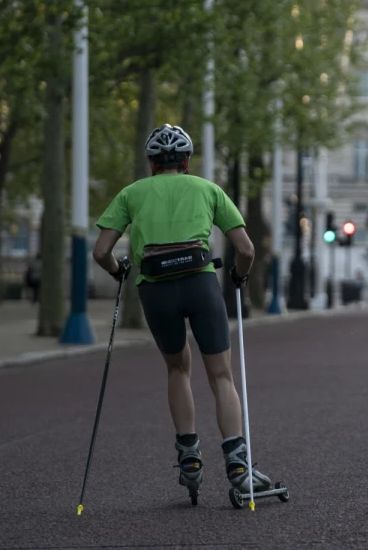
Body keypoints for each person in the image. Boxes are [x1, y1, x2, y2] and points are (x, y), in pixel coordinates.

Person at [90, 124, 276, 500]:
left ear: (151, 163)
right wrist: (240, 278)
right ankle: (238, 464)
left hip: (156, 290)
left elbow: (100, 252)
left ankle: (190, 456)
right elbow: (246, 250)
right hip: (200, 285)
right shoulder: (208, 189)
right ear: (187, 162)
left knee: (177, 368)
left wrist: (118, 270)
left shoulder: (132, 193)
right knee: (221, 375)